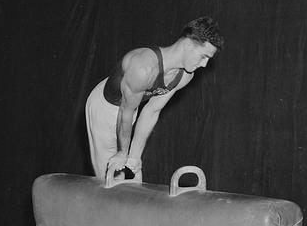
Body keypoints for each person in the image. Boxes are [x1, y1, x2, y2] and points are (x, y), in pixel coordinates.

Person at [85, 16, 224, 180]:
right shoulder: (144, 67)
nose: (204, 65)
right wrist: (123, 152)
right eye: (203, 56)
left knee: (133, 173)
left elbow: (151, 110)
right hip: (106, 105)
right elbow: (125, 112)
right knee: (111, 176)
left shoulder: (185, 76)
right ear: (187, 44)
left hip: (131, 104)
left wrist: (135, 156)